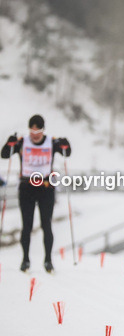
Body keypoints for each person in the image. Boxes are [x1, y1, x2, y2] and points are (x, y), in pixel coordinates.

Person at [1, 115, 71, 273]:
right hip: (27, 188)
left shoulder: (51, 142)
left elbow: (67, 153)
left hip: (46, 188)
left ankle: (48, 260)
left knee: (47, 224)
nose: (35, 134)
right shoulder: (22, 142)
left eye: (38, 130)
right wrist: (9, 142)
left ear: (43, 130)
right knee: (27, 226)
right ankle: (25, 260)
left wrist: (66, 144)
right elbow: (5, 154)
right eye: (32, 130)